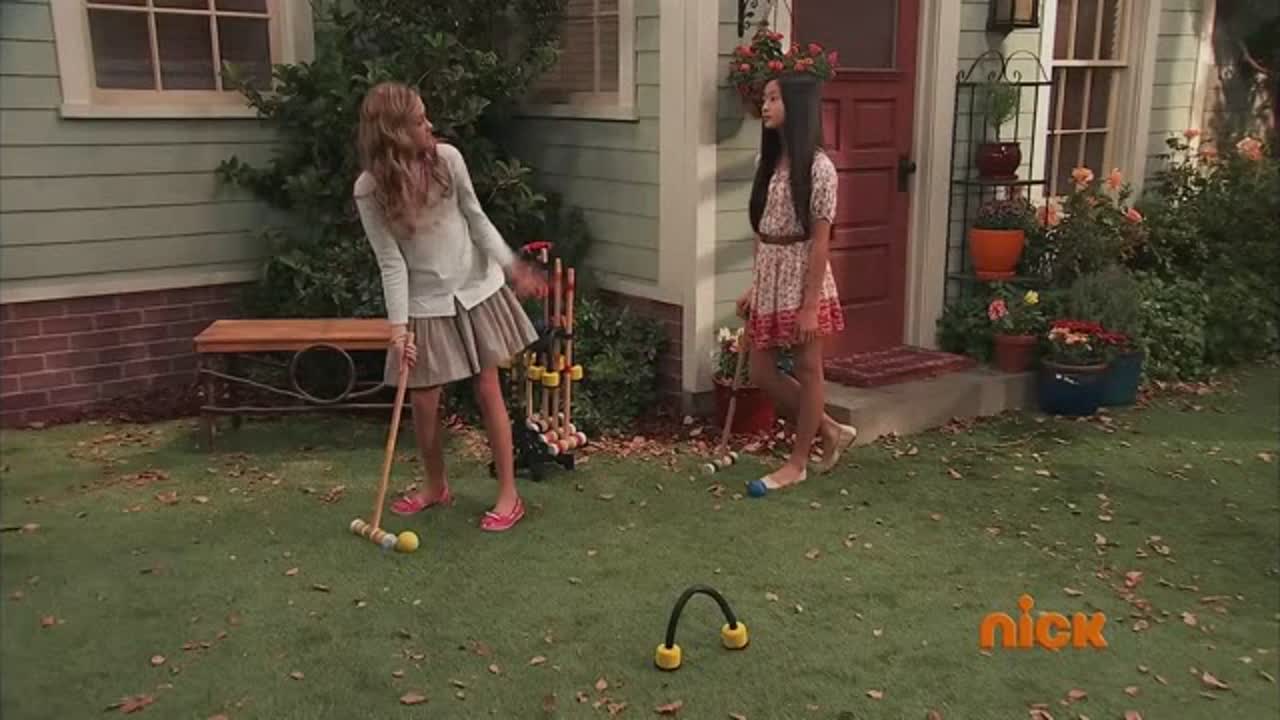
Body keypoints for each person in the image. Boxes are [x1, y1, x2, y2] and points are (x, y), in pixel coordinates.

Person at [354, 81, 546, 532]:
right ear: (395, 133)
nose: (430, 125)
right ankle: (435, 485)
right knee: (423, 400)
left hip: (475, 289)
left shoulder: (448, 160)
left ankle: (508, 494)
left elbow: (477, 219)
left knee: (487, 385)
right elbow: (391, 263)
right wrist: (398, 331)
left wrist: (512, 267)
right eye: (420, 120)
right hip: (425, 301)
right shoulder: (370, 190)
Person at [738, 73, 858, 494]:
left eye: (774, 98)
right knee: (761, 370)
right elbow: (763, 232)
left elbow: (821, 241)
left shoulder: (820, 169)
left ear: (798, 106)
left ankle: (798, 461)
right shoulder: (767, 163)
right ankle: (828, 428)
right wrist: (756, 287)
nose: (765, 106)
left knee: (808, 368)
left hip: (804, 275)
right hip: (771, 277)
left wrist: (809, 306)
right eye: (765, 98)